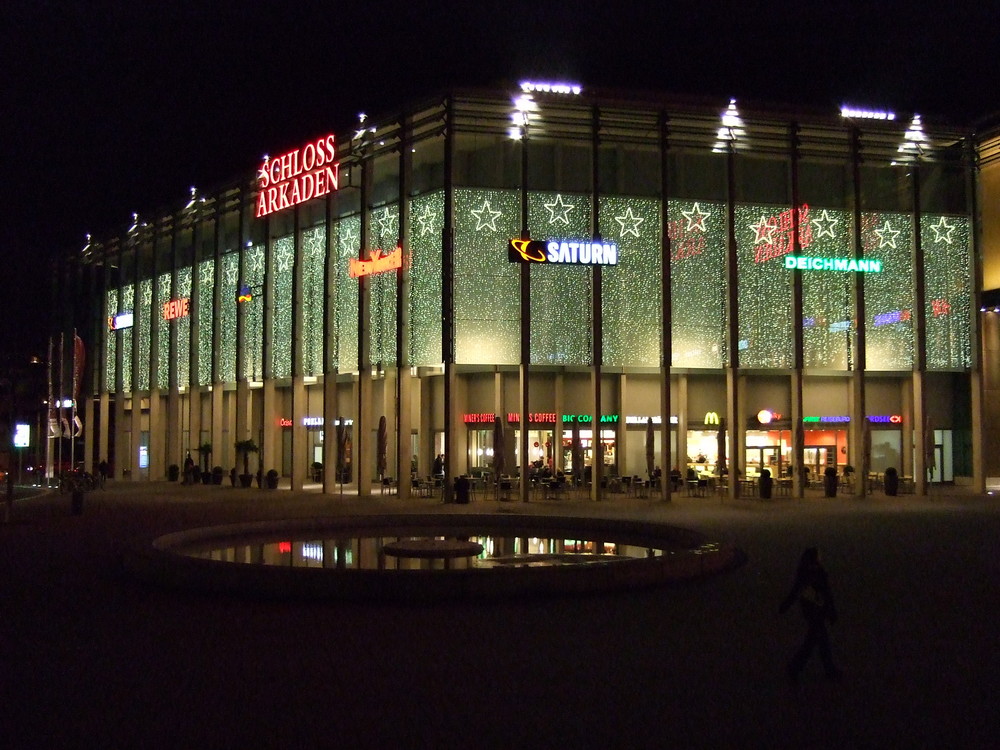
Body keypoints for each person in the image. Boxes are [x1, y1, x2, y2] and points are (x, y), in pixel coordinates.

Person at [779, 547, 842, 683]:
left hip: (813, 612)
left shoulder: (808, 574)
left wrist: (785, 606)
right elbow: (825, 594)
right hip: (815, 613)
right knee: (815, 642)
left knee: (817, 641)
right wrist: (831, 611)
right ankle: (796, 667)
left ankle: (823, 669)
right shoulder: (815, 574)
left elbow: (796, 592)